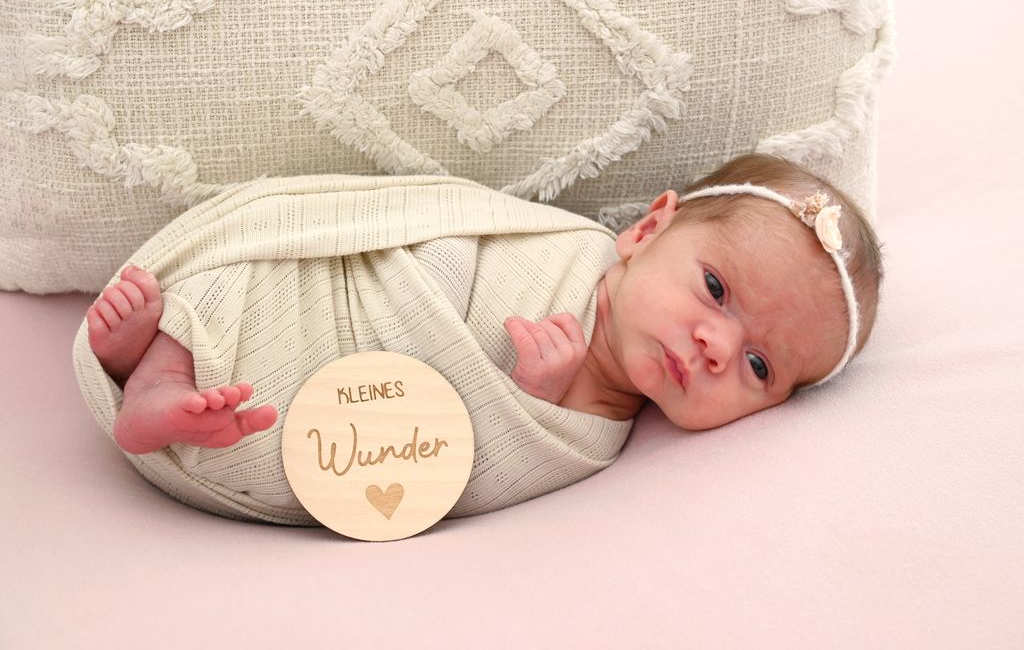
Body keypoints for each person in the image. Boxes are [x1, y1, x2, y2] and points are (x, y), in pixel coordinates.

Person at [85, 153, 883, 457]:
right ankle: (151, 365)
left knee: (283, 423)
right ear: (646, 230)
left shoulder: (597, 435)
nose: (717, 346)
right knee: (263, 283)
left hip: (339, 418)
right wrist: (425, 270)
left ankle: (171, 393)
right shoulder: (564, 244)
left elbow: (476, 462)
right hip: (357, 290)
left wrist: (529, 394)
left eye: (759, 365)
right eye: (715, 289)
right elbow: (436, 221)